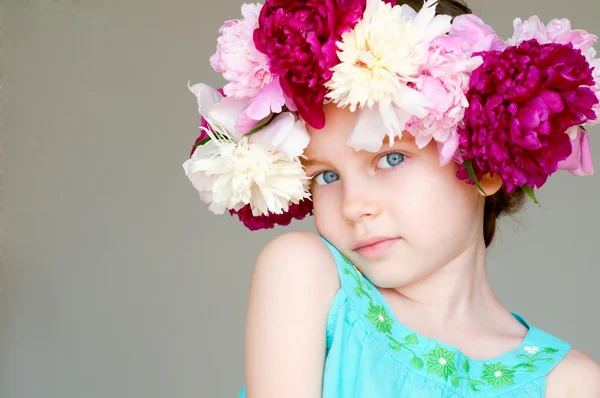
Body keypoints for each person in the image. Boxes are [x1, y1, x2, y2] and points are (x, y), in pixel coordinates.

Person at [182, 0, 600, 396]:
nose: (352, 205)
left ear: (486, 162)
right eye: (326, 175)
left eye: (391, 158)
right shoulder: (305, 276)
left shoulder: (572, 385)